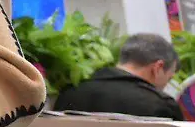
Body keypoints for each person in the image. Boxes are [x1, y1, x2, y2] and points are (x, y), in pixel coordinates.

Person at [55, 33, 183, 120]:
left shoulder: (70, 93)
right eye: (169, 78)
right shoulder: (160, 105)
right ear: (158, 68)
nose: (165, 86)